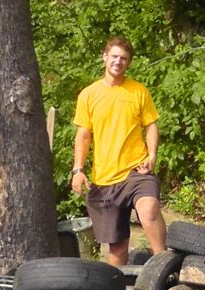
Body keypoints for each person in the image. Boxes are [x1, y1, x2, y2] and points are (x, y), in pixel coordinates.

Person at [71, 36, 166, 266]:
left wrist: (152, 156)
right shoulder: (89, 94)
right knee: (117, 249)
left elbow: (151, 125)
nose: (118, 62)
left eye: (123, 58)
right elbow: (83, 136)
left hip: (136, 169)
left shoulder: (138, 91)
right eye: (114, 56)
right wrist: (78, 170)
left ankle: (164, 267)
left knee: (149, 208)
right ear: (105, 57)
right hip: (104, 180)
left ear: (129, 63)